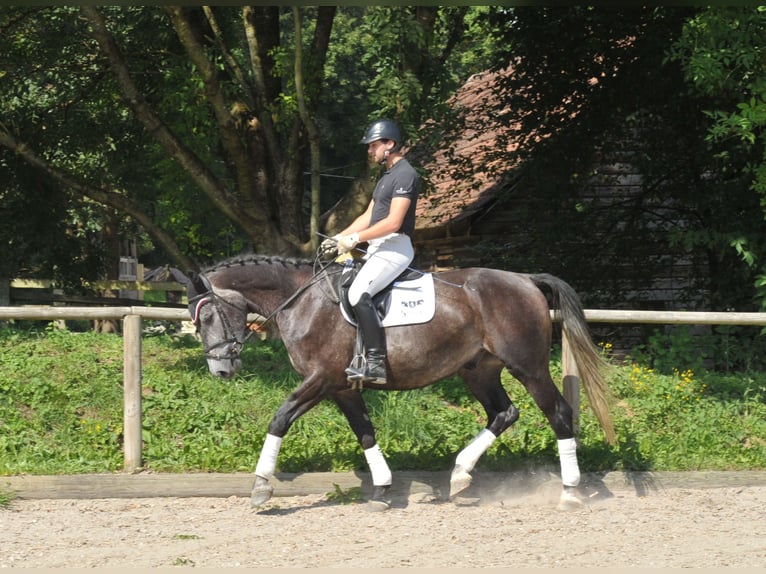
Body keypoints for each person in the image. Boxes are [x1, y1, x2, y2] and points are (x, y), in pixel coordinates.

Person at [322, 118, 421, 385]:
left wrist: (354, 239)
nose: (369, 150)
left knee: (358, 293)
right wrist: (339, 237)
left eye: (373, 145)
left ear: (390, 144)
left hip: (396, 248)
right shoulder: (385, 177)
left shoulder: (405, 174)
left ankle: (376, 364)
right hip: (379, 248)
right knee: (344, 285)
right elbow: (368, 216)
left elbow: (392, 222)